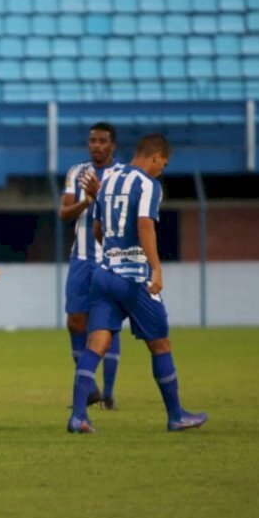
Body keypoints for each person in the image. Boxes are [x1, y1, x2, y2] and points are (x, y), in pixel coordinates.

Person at [69, 134, 208, 434]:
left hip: (103, 275)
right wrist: (155, 268)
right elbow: (145, 225)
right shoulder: (148, 184)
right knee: (160, 345)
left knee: (95, 344)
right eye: (164, 164)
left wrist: (113, 251)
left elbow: (97, 228)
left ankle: (78, 416)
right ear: (155, 157)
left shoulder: (109, 178)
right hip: (133, 279)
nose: (162, 170)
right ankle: (176, 416)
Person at [61, 122, 125, 409]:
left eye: (102, 141)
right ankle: (91, 390)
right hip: (81, 258)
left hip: (111, 260)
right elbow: (64, 212)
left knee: (107, 325)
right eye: (92, 141)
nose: (96, 145)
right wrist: (86, 201)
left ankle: (108, 394)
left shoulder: (123, 176)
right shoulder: (77, 172)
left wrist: (99, 197)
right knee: (75, 321)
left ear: (112, 146)